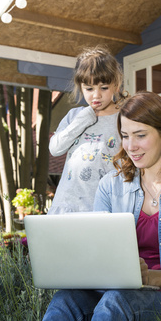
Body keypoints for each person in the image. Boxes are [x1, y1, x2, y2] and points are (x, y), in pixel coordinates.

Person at [43, 92, 161, 321]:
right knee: (64, 301)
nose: (131, 146)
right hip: (118, 294)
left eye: (140, 135)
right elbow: (99, 254)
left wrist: (147, 278)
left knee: (118, 301)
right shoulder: (110, 186)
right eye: (125, 136)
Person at [48, 46, 126, 214]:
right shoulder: (74, 115)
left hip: (102, 205)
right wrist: (82, 120)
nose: (96, 95)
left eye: (104, 88)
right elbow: (55, 149)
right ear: (80, 87)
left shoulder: (124, 118)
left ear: (116, 85)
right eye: (89, 89)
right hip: (67, 202)